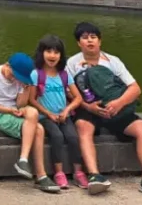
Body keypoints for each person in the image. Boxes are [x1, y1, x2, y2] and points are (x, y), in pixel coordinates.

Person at [66, 22, 142, 199]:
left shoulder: (113, 61)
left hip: (115, 108)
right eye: (85, 38)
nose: (90, 41)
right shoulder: (72, 63)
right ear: (79, 43)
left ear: (100, 41)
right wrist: (88, 107)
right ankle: (94, 175)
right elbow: (69, 92)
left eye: (93, 37)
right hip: (89, 108)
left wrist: (118, 103)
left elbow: (135, 89)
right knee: (83, 127)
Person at [0, 52, 60, 193]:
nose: (15, 79)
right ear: (8, 65)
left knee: (32, 112)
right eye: (14, 75)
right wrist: (8, 110)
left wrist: (25, 87)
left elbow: (20, 104)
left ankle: (25, 161)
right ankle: (40, 174)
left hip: (14, 110)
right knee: (39, 129)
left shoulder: (21, 80)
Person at [28, 34, 86, 190]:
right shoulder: (36, 74)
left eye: (56, 52)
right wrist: (48, 113)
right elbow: (32, 99)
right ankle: (59, 173)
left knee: (73, 137)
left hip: (63, 115)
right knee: (57, 136)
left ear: (61, 55)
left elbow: (78, 98)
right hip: (45, 116)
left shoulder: (64, 75)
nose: (52, 56)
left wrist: (67, 110)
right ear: (41, 53)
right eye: (48, 51)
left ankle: (78, 172)